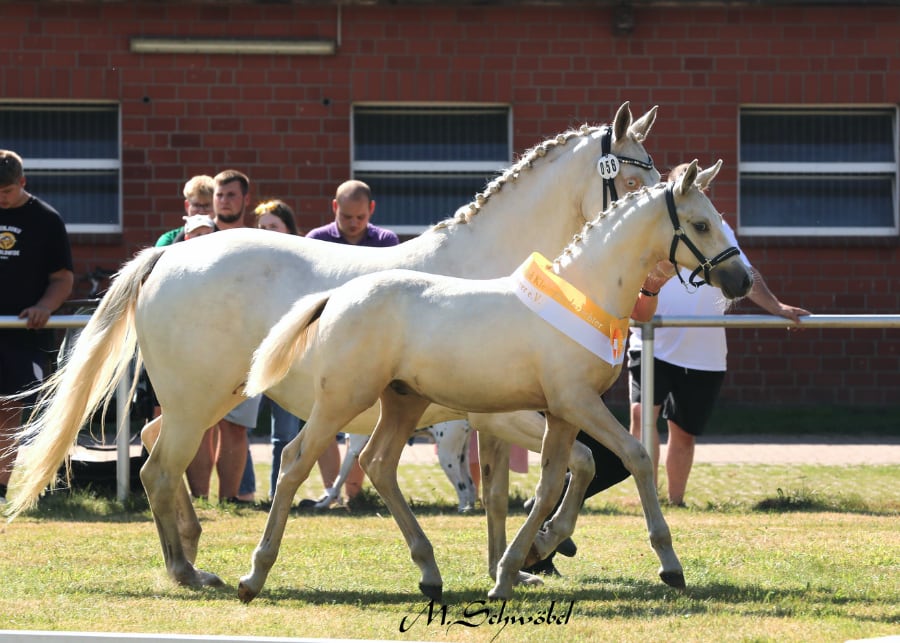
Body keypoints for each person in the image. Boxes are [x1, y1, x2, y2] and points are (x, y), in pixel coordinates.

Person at [524, 162, 810, 576]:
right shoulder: (635, 237)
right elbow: (633, 310)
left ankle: (557, 527)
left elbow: (731, 279)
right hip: (617, 354)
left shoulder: (690, 237)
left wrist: (776, 307)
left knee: (637, 448)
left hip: (655, 357)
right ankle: (553, 526)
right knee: (627, 440)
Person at [302, 179, 399, 505]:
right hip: (324, 339)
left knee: (364, 416)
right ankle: (331, 492)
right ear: (334, 208)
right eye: (346, 217)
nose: (354, 224)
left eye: (359, 217)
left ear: (371, 210)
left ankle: (353, 495)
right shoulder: (317, 241)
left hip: (371, 343)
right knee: (320, 414)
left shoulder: (387, 242)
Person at [183, 169, 263, 504]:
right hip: (200, 343)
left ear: (245, 199)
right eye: (219, 195)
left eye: (231, 195)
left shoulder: (260, 243)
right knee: (201, 423)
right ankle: (200, 499)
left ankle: (230, 501)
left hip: (247, 344)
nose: (224, 201)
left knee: (235, 427)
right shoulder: (196, 237)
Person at [0, 150, 74, 504]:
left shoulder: (46, 220)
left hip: (22, 333)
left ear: (22, 183)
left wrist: (44, 306)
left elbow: (62, 278)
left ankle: (1, 488)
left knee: (8, 410)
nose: (1, 198)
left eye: (7, 191)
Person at [252, 199, 305, 500]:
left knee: (283, 436)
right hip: (251, 356)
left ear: (289, 229)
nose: (267, 233)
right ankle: (241, 493)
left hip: (289, 359)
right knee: (235, 428)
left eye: (274, 227)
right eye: (262, 228)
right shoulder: (253, 268)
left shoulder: (302, 266)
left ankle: (278, 495)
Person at [155, 175, 215, 247]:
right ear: (187, 205)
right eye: (196, 205)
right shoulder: (168, 240)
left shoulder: (225, 237)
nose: (201, 211)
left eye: (206, 205)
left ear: (216, 205)